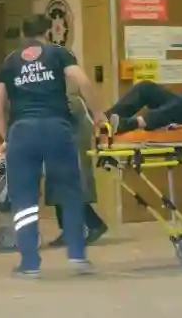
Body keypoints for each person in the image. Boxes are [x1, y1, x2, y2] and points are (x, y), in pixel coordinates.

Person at [0, 14, 104, 278]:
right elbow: (83, 82)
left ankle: (30, 263)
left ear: (23, 35)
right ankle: (77, 255)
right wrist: (98, 114)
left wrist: (7, 136)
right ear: (48, 32)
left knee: (24, 199)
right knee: (70, 191)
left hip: (22, 132)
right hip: (56, 128)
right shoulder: (59, 54)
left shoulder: (10, 62)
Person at [48, 93, 108, 248]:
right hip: (59, 141)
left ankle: (94, 224)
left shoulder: (69, 98)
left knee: (68, 188)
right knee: (58, 189)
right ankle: (69, 230)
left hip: (70, 142)